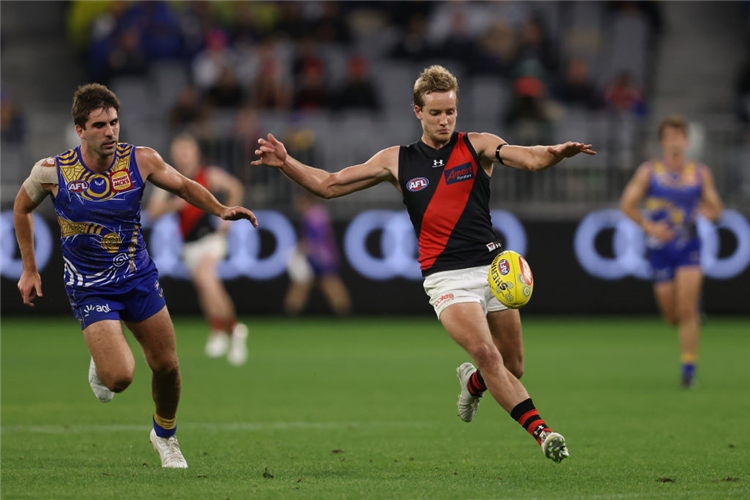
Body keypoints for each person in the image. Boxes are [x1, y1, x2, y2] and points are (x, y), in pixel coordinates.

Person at [253, 65, 596, 463]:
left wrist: (553, 154)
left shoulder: (478, 145)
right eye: (436, 113)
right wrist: (287, 162)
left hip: (492, 270)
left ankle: (473, 385)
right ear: (418, 112)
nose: (445, 119)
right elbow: (329, 185)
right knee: (487, 354)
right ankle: (543, 432)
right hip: (446, 278)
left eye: (451, 111)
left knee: (512, 366)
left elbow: (529, 158)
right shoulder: (396, 160)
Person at [13, 83, 257, 468]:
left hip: (137, 277)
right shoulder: (52, 172)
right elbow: (21, 208)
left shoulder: (140, 160)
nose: (110, 131)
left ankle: (165, 436)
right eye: (99, 125)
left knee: (168, 367)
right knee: (121, 379)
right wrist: (29, 268)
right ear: (80, 130)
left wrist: (221, 209)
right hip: (90, 287)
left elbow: (186, 185)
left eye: (114, 122)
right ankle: (103, 354)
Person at [620, 115, 723, 388]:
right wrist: (649, 226)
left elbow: (715, 208)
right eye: (670, 136)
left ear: (686, 140)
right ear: (663, 141)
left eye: (680, 136)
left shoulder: (699, 173)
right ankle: (690, 318)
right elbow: (628, 204)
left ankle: (688, 369)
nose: (675, 142)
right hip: (660, 249)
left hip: (689, 245)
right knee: (671, 316)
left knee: (687, 310)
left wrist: (708, 212)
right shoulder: (649, 172)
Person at [147, 133, 249, 365]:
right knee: (207, 286)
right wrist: (176, 204)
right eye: (179, 150)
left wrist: (228, 217)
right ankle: (231, 330)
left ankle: (223, 331)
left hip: (211, 238)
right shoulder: (168, 177)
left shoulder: (208, 174)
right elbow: (153, 211)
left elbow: (235, 186)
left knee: (204, 276)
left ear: (196, 152)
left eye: (187, 149)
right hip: (189, 244)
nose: (183, 155)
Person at [285, 189, 352, 316]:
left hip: (321, 258)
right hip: (322, 256)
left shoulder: (313, 215)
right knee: (319, 285)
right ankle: (344, 312)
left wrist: (299, 252)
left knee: (327, 285)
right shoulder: (318, 213)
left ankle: (291, 312)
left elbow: (313, 240)